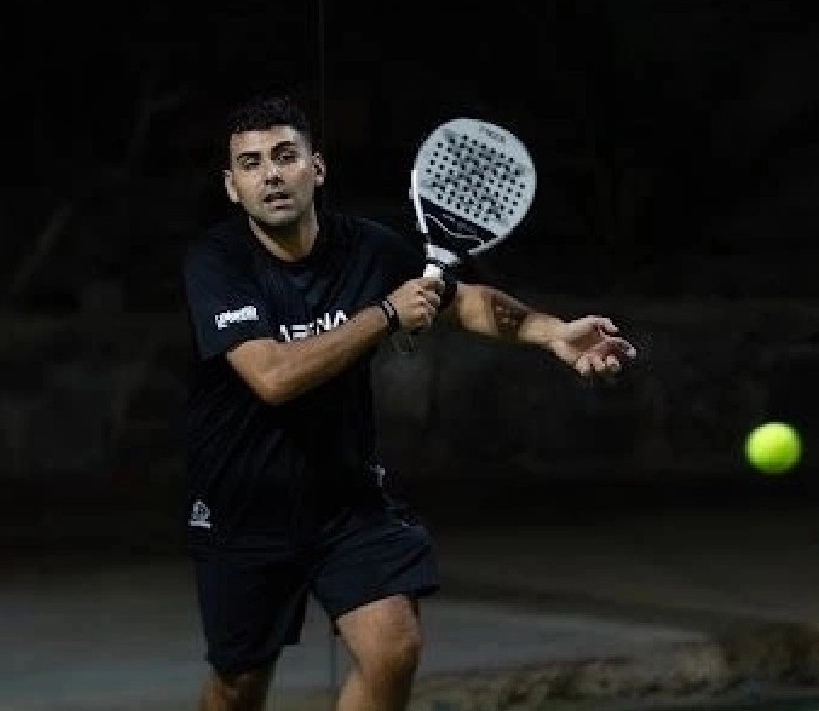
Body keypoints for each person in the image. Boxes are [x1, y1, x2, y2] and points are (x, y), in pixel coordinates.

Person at [181, 93, 637, 711]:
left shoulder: (369, 248)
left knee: (393, 648)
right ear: (232, 187)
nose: (271, 175)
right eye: (251, 163)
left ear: (317, 168)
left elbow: (462, 301)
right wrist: (385, 315)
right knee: (239, 684)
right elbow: (274, 377)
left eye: (286, 156)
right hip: (245, 506)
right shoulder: (218, 263)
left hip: (345, 500)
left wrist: (552, 332)